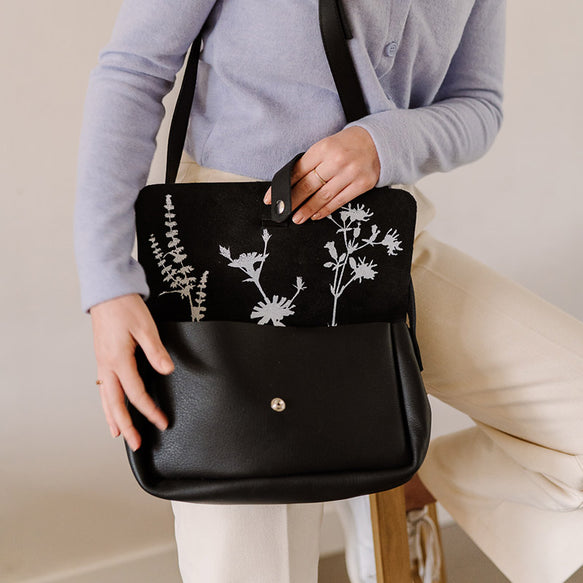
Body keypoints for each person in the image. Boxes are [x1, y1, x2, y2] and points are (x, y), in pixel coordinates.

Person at [74, 1, 583, 582]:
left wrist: (385, 143)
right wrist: (108, 283)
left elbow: (479, 103)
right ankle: (366, 461)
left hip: (373, 253)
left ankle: (410, 479)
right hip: (226, 265)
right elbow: (133, 70)